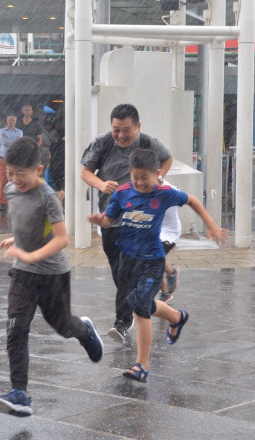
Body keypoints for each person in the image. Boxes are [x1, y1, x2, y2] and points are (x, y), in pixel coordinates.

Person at [88, 148, 228, 383]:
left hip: (152, 260)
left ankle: (141, 365)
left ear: (157, 174)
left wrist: (211, 225)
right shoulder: (123, 193)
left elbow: (192, 200)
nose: (140, 183)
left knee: (140, 308)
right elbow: (110, 219)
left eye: (145, 178)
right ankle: (176, 317)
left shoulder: (164, 193)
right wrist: (99, 219)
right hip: (127, 260)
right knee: (139, 303)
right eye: (136, 177)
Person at [0, 137, 103, 417]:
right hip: (22, 275)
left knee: (62, 326)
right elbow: (26, 222)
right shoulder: (10, 189)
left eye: (22, 174)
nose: (16, 180)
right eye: (11, 173)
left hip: (52, 273)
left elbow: (62, 238)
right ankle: (19, 394)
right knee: (16, 329)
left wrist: (31, 255)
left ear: (38, 169)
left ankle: (85, 331)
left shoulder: (48, 196)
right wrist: (15, 238)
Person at [81, 103, 173, 342]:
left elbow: (167, 158)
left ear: (138, 127)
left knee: (125, 272)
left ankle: (123, 321)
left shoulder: (149, 143)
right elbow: (85, 172)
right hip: (109, 220)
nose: (121, 135)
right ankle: (147, 297)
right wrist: (101, 184)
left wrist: (159, 177)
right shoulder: (102, 143)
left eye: (126, 130)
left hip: (139, 221)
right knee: (118, 272)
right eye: (116, 130)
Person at [156, 177, 181, 303]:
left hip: (168, 233)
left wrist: (210, 225)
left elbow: (192, 201)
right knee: (152, 259)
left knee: (152, 260)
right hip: (153, 231)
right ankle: (171, 273)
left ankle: (165, 291)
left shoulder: (168, 190)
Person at [0, 113, 23, 211]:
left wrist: (8, 139)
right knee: (3, 180)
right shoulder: (1, 131)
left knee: (15, 180)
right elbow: (3, 143)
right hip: (4, 158)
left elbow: (19, 143)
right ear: (6, 121)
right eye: (9, 120)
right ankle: (3, 203)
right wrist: (13, 141)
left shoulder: (20, 131)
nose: (11, 122)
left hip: (15, 159)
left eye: (13, 120)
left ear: (16, 121)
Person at [48, 116, 65, 205]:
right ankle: (60, 207)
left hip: (55, 168)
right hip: (61, 168)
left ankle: (60, 207)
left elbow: (50, 155)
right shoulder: (65, 144)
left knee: (59, 189)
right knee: (62, 190)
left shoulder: (53, 140)